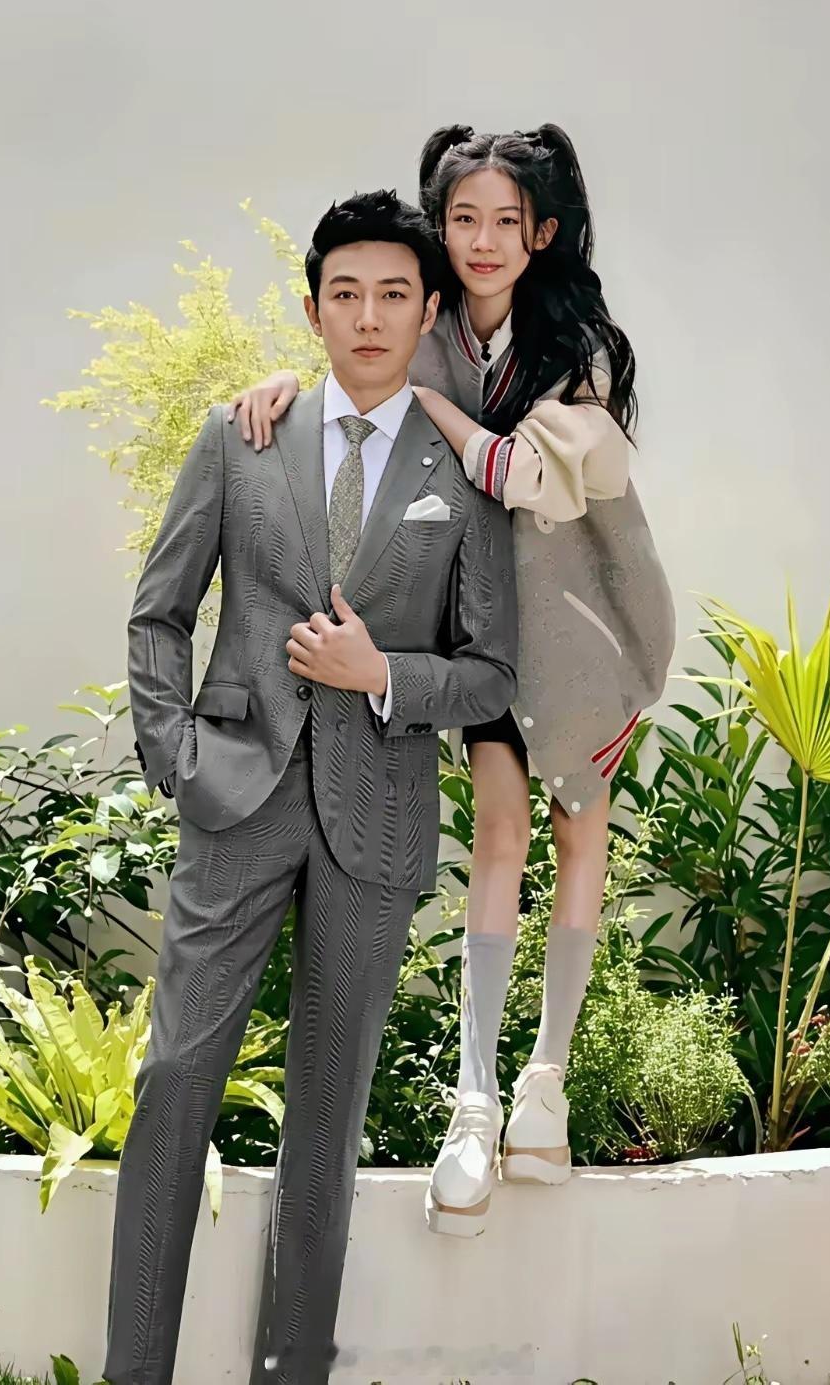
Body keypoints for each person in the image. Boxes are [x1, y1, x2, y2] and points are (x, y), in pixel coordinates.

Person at [229, 125, 675, 1239]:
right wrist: (285, 383)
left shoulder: (576, 349)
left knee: (579, 831)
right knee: (498, 833)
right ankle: (475, 1102)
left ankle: (545, 1086)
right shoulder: (424, 332)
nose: (482, 241)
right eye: (463, 219)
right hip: (484, 634)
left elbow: (523, 475)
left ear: (542, 233)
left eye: (504, 222)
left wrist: (435, 410)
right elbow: (354, 382)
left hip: (585, 631)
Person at [106, 188, 518, 1384]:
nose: (369, 316)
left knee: (327, 1115)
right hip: (234, 798)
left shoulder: (463, 471)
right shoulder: (243, 434)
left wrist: (382, 672)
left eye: (394, 294)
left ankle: (293, 1371)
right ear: (312, 309)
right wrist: (176, 757)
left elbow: (492, 669)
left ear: (428, 311)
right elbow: (159, 612)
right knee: (176, 1078)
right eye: (346, 293)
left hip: (375, 817)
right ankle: (135, 1369)